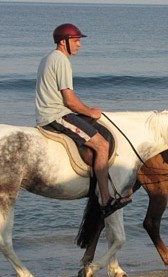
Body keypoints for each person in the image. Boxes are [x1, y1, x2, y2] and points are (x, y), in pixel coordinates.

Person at [35, 23, 130, 217]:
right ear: (63, 42)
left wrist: (86, 110)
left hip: (51, 111)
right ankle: (105, 198)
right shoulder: (61, 60)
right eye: (76, 41)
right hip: (56, 115)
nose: (79, 45)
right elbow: (69, 100)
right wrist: (90, 111)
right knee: (102, 145)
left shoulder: (48, 58)